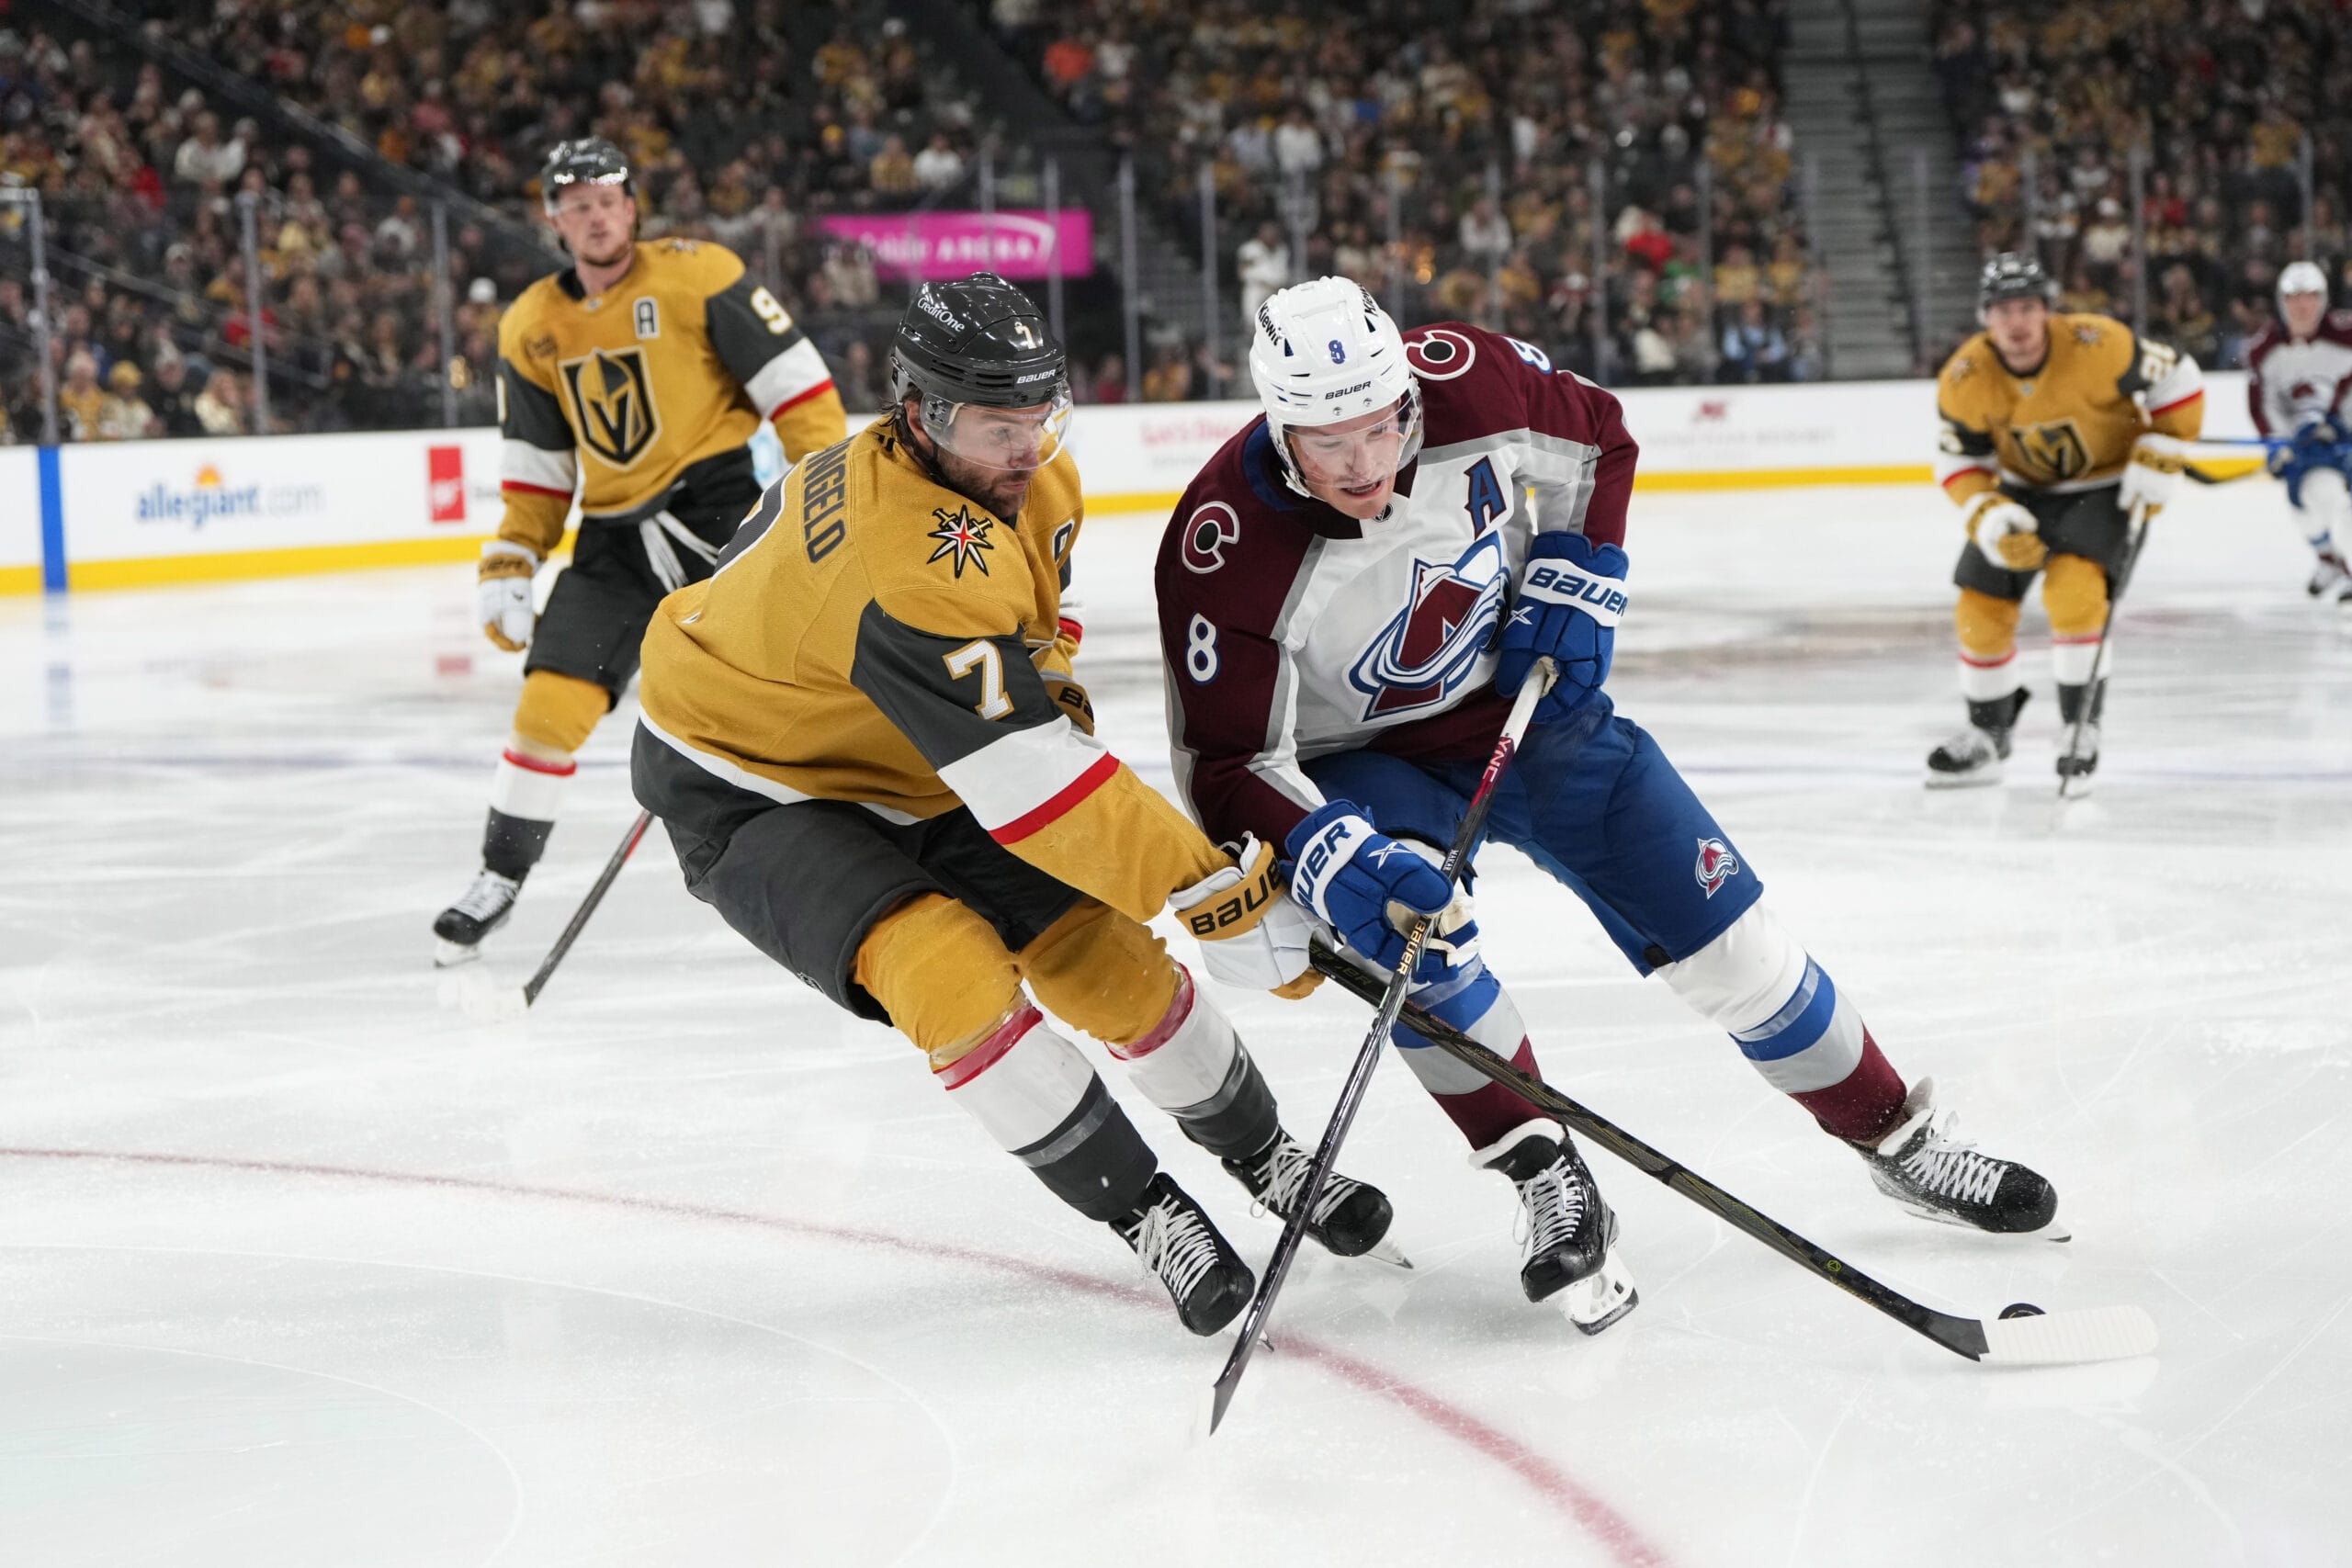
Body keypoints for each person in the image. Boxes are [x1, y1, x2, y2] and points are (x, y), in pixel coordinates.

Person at [1155, 277, 2064, 1335]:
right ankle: (1545, 1172)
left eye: (1381, 426)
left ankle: (1895, 1141)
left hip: (1527, 705)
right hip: (1362, 760)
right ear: (1278, 425)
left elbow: (1599, 440)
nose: (1365, 463)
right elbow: (1228, 761)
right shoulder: (1221, 547)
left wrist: (1578, 570)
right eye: (1328, 443)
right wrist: (1328, 854)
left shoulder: (1470, 381)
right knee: (1422, 946)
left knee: (1732, 945)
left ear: (1407, 392)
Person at [628, 273, 1396, 1335]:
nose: (1029, 447)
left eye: (1042, 415)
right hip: (746, 782)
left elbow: (1032, 636)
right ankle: (1148, 1214)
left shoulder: (1032, 482)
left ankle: (1265, 1156)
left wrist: (1052, 688)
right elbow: (1038, 787)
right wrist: (1213, 889)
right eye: (999, 427)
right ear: (922, 414)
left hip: (905, 747)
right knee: (944, 970)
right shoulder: (902, 564)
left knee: (1105, 956)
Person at [432, 138, 848, 963]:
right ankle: (500, 876)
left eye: (607, 198)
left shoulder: (702, 275)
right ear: (553, 218)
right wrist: (514, 556)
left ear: (632, 206)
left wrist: (822, 503)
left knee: (798, 694)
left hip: (723, 514)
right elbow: (539, 471)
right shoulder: (530, 327)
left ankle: (859, 848)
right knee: (547, 707)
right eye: (575, 203)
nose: (594, 215)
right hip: (614, 540)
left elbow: (802, 395)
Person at [1926, 252, 2204, 789]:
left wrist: (2164, 447)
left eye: (2028, 307)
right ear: (1986, 318)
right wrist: (1989, 513)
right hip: (2020, 490)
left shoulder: (2099, 344)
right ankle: (1988, 734)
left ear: (2048, 310)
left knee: (2074, 592)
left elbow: (2180, 378)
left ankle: (2081, 727)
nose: (2017, 323)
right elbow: (1960, 462)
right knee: (1979, 606)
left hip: (2102, 485)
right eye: (2004, 310)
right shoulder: (1965, 377)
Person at [2245, 260, 2352, 602]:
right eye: (2294, 298)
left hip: (2343, 434)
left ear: (2323, 301)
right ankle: (2328, 561)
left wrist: (2337, 423)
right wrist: (2276, 442)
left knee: (2337, 501)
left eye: (2310, 297)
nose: (2302, 306)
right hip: (2305, 443)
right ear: (2281, 302)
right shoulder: (2265, 351)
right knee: (2303, 505)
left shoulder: (2346, 335)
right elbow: (2263, 404)